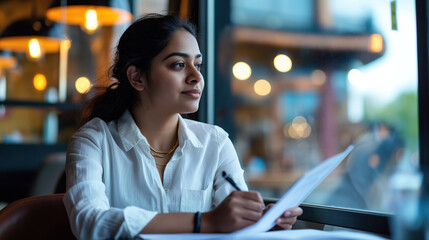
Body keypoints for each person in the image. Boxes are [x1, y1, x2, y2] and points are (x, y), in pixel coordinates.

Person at [64, 13, 303, 239]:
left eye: (197, 65)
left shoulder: (216, 143)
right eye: (179, 65)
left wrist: (263, 222)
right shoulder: (93, 140)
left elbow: (235, 222)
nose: (196, 77)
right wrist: (204, 222)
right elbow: (89, 222)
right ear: (137, 77)